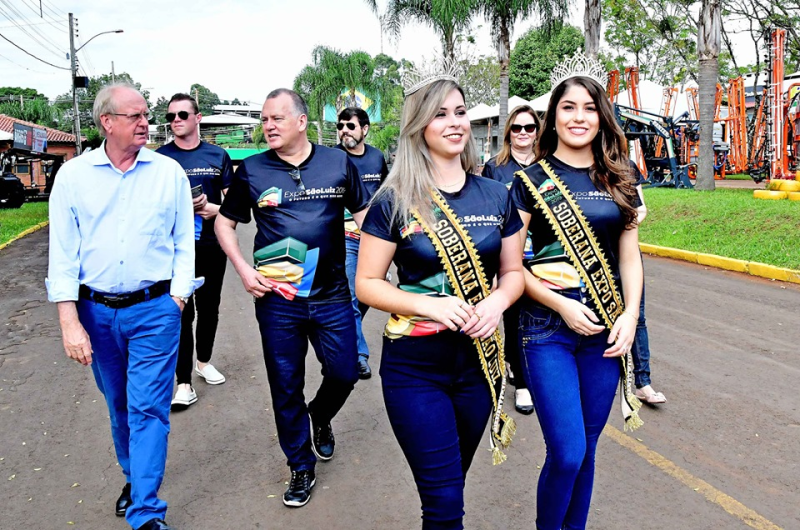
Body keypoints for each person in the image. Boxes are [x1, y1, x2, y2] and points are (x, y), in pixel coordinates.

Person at [356, 75, 524, 529]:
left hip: (479, 368)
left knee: (451, 488)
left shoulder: (495, 194)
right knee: (446, 505)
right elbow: (368, 284)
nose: (454, 123)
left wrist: (497, 304)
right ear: (419, 126)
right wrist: (429, 305)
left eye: (460, 112)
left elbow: (512, 273)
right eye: (440, 114)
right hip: (416, 369)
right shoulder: (393, 200)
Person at [46, 83, 199, 530]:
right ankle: (136, 478)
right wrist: (69, 321)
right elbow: (63, 255)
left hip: (155, 311)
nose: (144, 122)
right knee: (119, 406)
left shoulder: (168, 172)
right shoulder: (73, 177)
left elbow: (182, 241)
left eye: (145, 115)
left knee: (149, 407)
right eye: (133, 116)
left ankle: (146, 510)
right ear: (106, 122)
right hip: (96, 314)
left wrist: (178, 297)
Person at [215, 88, 368, 508]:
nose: (267, 126)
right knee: (285, 385)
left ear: (301, 121)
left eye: (276, 119)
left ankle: (319, 414)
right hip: (278, 300)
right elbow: (225, 225)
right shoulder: (251, 170)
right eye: (264, 120)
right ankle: (300, 466)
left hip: (333, 294)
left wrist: (382, 262)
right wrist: (244, 270)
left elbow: (366, 215)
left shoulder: (338, 163)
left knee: (345, 372)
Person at [510, 51, 644, 530]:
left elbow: (630, 255)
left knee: (587, 450)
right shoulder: (528, 182)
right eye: (568, 107)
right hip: (548, 330)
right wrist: (559, 303)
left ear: (601, 115)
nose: (579, 117)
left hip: (607, 332)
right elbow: (512, 268)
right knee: (566, 451)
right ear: (554, 116)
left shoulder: (621, 177)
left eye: (589, 107)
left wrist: (629, 316)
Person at [157, 93, 234, 410]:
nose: (176, 120)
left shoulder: (218, 155)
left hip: (212, 245)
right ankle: (183, 382)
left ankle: (203, 362)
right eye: (171, 116)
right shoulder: (160, 159)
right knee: (181, 311)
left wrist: (213, 208)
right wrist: (179, 209)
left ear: (198, 118)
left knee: (210, 307)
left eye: (183, 114)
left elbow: (234, 205)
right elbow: (150, 207)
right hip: (174, 250)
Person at [481, 104, 542, 416]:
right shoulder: (496, 167)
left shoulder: (548, 166)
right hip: (509, 253)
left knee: (540, 318)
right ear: (508, 133)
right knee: (515, 319)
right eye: (516, 128)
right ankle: (521, 383)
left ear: (537, 132)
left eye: (528, 128)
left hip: (542, 256)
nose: (522, 133)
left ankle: (538, 373)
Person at [335, 106, 389, 379]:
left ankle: (346, 331)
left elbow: (387, 194)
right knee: (352, 296)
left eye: (350, 126)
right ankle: (359, 354)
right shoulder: (333, 159)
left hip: (377, 238)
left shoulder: (377, 157)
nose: (344, 130)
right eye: (340, 126)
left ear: (365, 129)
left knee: (367, 296)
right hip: (344, 238)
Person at [630, 185, 667, 404]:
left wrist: (623, 229)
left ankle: (643, 383)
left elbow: (640, 209)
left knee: (637, 317)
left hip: (627, 251)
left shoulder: (626, 169)